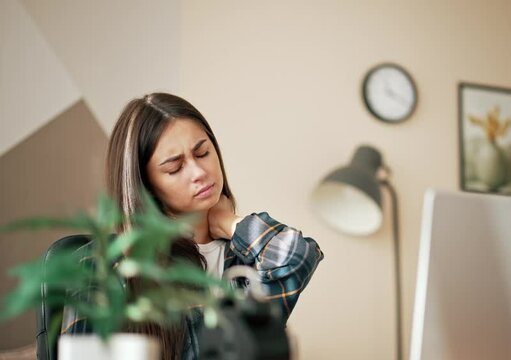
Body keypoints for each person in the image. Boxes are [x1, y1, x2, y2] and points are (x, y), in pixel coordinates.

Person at [61, 93, 324, 359]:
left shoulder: (245, 261)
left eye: (202, 152)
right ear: (146, 187)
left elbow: (297, 256)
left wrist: (228, 222)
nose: (199, 172)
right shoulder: (104, 265)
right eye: (175, 168)